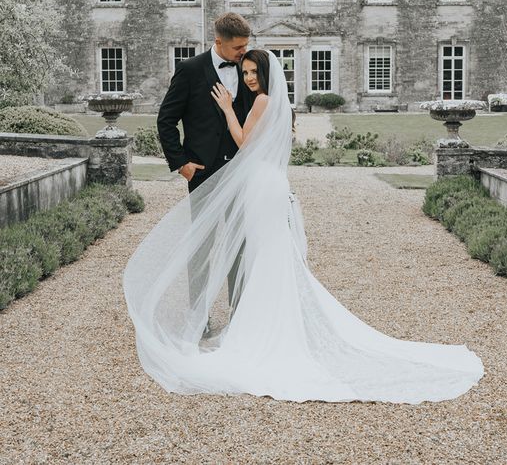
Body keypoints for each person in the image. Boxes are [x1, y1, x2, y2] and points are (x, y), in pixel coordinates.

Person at [124, 49, 483, 403]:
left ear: (266, 74)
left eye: (253, 72)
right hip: (269, 183)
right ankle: (264, 321)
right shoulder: (276, 103)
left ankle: (264, 329)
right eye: (245, 72)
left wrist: (228, 109)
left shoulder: (262, 102)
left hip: (261, 186)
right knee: (268, 254)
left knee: (265, 254)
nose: (248, 78)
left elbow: (244, 142)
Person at [156, 12, 254, 309]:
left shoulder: (249, 69)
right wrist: (181, 163)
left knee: (240, 245)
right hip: (203, 174)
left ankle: (238, 317)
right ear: (218, 42)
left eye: (246, 46)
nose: (243, 53)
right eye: (238, 48)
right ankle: (199, 320)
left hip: (241, 172)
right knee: (202, 247)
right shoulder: (190, 70)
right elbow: (166, 120)